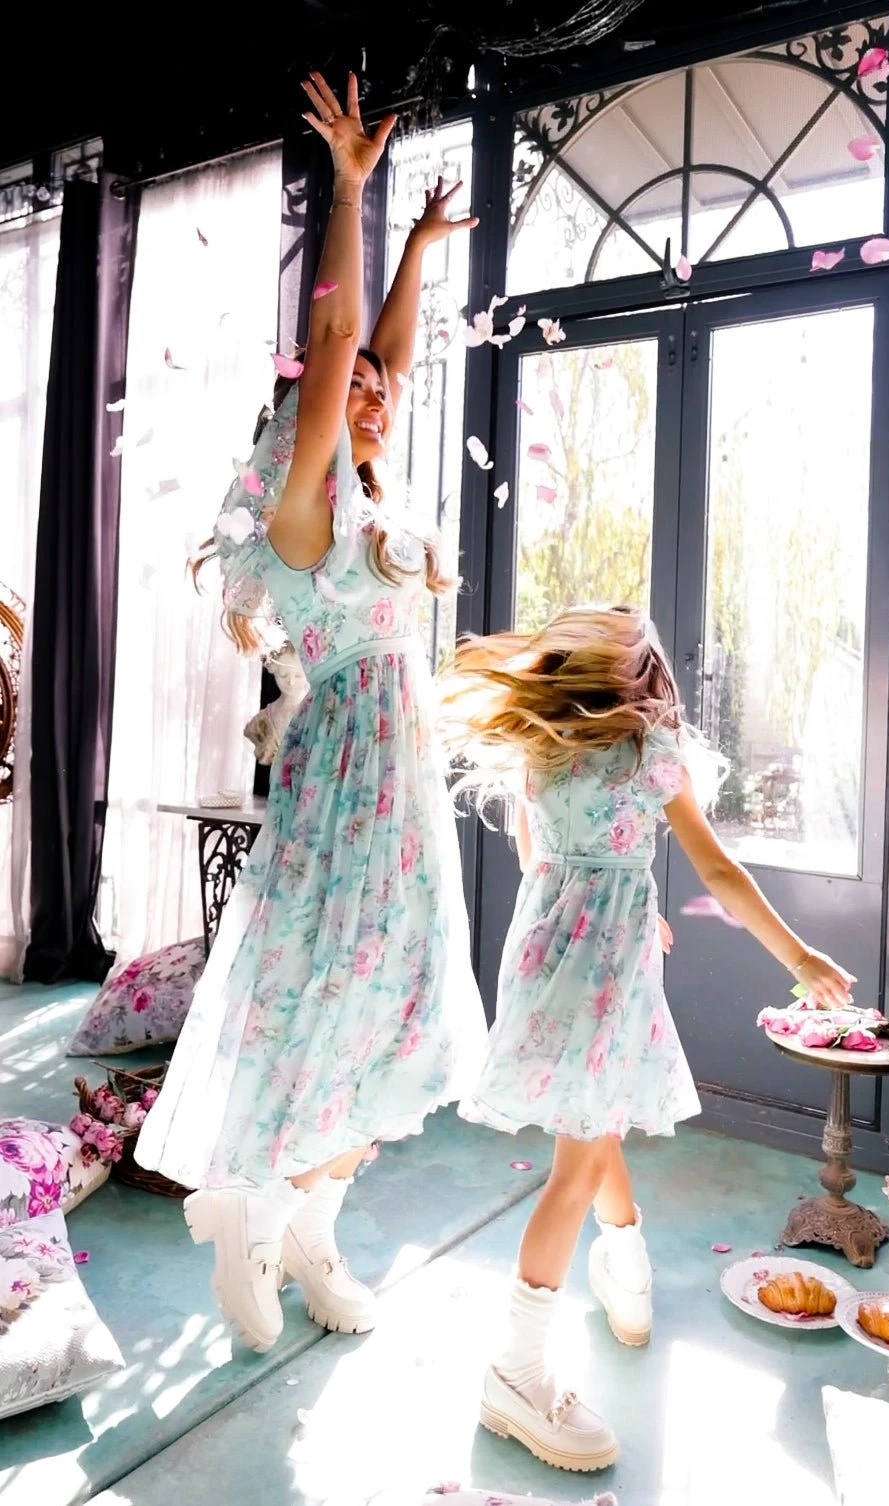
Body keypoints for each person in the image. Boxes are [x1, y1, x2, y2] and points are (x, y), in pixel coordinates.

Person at [136, 71, 486, 1354]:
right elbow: (340, 352)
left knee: (394, 1020)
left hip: (404, 789)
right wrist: (347, 191)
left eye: (385, 396)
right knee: (326, 1011)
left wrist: (418, 250)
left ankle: (306, 1229)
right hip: (346, 788)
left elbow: (380, 355)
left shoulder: (377, 510)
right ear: (301, 424)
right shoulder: (302, 518)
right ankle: (251, 1210)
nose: (377, 396)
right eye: (350, 398)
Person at [436, 605, 856, 1471]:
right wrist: (799, 955)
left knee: (595, 1121)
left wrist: (615, 900)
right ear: (636, 675)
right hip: (604, 971)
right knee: (577, 1161)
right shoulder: (649, 753)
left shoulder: (543, 747)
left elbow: (539, 856)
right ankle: (515, 1372)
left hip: (545, 954)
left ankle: (624, 1258)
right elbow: (719, 872)